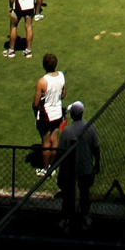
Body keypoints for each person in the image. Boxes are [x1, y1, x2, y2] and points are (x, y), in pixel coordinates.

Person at [56, 100, 102, 230]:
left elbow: (61, 152)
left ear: (72, 115)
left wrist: (58, 167)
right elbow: (96, 148)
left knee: (68, 195)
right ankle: (85, 217)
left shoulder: (67, 131)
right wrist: (97, 163)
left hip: (69, 169)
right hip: (86, 166)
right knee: (85, 194)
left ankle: (66, 218)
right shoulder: (90, 127)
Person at [33, 53, 65, 173]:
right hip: (58, 113)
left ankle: (45, 168)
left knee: (46, 142)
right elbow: (63, 94)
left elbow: (36, 103)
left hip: (46, 115)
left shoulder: (42, 82)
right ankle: (52, 166)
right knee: (54, 139)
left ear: (44, 65)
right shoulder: (61, 76)